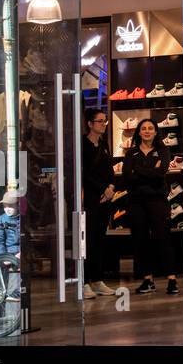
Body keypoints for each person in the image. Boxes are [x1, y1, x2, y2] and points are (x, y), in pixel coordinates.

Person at [122, 117, 178, 295]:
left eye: (150, 128)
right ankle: (148, 279)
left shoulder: (163, 151)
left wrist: (139, 170)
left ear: (155, 132)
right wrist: (151, 172)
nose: (146, 131)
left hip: (157, 201)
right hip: (136, 202)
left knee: (163, 238)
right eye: (143, 128)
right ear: (139, 132)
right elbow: (127, 177)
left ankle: (171, 279)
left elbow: (161, 172)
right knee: (140, 240)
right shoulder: (131, 153)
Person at [82, 108, 119, 297]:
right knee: (87, 239)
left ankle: (97, 279)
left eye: (105, 121)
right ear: (90, 123)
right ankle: (84, 280)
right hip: (90, 198)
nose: (103, 124)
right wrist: (102, 188)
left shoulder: (104, 144)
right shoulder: (82, 144)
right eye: (99, 121)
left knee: (99, 238)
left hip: (105, 198)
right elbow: (84, 173)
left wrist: (111, 187)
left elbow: (109, 168)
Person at [0, 190, 21, 257]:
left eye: (10, 206)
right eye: (5, 206)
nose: (7, 209)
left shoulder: (24, 219)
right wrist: (4, 257)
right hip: (8, 254)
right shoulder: (1, 220)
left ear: (17, 205)